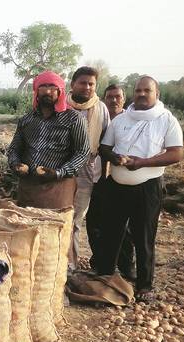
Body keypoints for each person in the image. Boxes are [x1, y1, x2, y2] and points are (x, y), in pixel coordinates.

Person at [97, 76, 182, 302]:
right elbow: (104, 147)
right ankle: (106, 274)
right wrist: (114, 157)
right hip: (117, 186)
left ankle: (145, 285)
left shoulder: (166, 120)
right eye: (138, 90)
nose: (142, 94)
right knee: (112, 232)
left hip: (148, 187)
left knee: (144, 236)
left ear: (157, 94)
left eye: (147, 90)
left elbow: (176, 153)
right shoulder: (122, 119)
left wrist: (141, 163)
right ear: (133, 93)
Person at [7, 70, 89, 209]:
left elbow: (82, 152)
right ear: (36, 91)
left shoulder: (73, 119)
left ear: (60, 91)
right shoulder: (26, 120)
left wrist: (58, 172)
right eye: (43, 87)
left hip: (58, 187)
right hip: (29, 187)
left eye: (53, 87)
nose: (48, 92)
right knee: (25, 227)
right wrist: (15, 164)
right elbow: (14, 148)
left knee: (55, 228)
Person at [87, 84, 136, 279]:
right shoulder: (97, 119)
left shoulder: (130, 122)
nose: (113, 100)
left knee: (124, 225)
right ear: (104, 99)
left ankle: (126, 265)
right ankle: (100, 261)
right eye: (109, 97)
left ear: (124, 99)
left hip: (123, 180)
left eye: (117, 97)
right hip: (98, 178)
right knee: (95, 222)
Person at [67, 66, 110, 273]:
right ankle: (57, 263)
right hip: (61, 170)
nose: (87, 87)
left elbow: (105, 142)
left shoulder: (101, 109)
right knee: (60, 216)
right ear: (73, 84)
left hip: (86, 170)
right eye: (83, 83)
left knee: (75, 221)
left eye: (91, 84)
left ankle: (71, 267)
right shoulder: (62, 106)